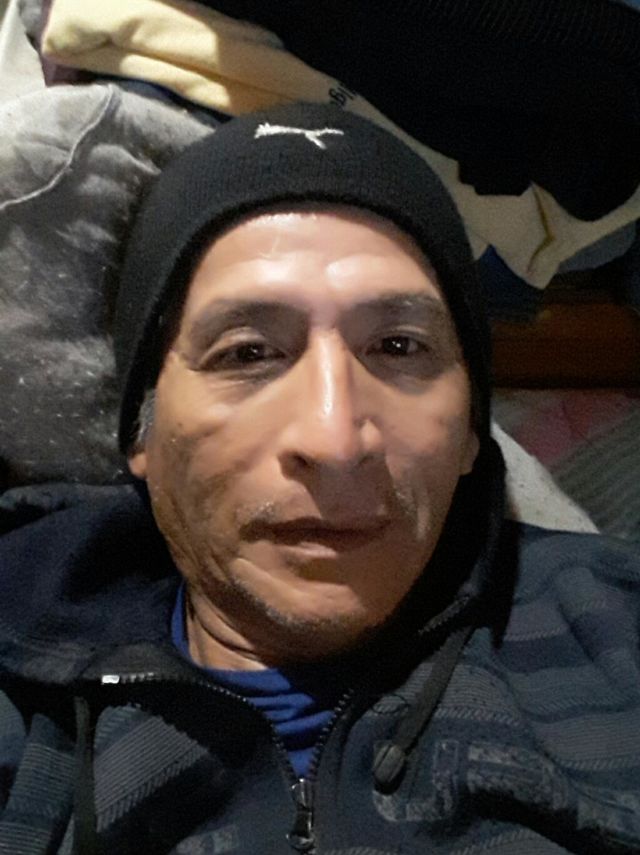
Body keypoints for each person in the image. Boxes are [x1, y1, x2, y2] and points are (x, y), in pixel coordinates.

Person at [0, 103, 639, 855]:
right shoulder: (21, 689)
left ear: (471, 429)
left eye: (399, 346)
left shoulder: (618, 634)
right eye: (247, 353)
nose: (335, 441)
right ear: (142, 433)